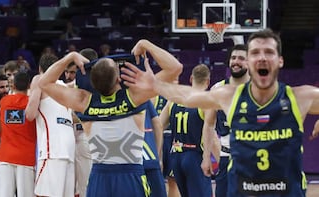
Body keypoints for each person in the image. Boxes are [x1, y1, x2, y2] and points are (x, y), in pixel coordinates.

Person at [121, 28, 319, 196]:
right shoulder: (229, 96)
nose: (262, 57)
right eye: (256, 52)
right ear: (249, 62)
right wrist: (155, 84)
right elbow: (187, 97)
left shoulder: (300, 97)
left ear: (280, 61)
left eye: (269, 52)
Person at [37, 39, 183, 197]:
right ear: (119, 79)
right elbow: (175, 68)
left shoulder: (83, 101)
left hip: (100, 176)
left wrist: (70, 57)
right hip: (130, 174)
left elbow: (44, 82)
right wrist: (145, 44)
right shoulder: (134, 96)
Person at [200, 44, 250, 197]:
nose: (236, 61)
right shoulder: (218, 89)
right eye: (233, 58)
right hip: (225, 158)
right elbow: (208, 125)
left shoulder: (259, 89)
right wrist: (206, 157)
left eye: (241, 58)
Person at [26, 53, 76, 197]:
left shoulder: (40, 80)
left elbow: (30, 114)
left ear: (40, 68)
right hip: (69, 148)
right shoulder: (66, 88)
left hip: (52, 149)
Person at [160, 64, 212, 197]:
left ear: (190, 79)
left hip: (176, 156)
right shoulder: (206, 101)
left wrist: (159, 156)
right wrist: (209, 158)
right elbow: (209, 133)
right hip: (194, 156)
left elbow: (158, 125)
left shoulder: (174, 100)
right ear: (207, 81)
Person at [0, 72, 36, 197]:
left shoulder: (5, 101)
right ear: (29, 86)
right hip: (26, 157)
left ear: (13, 86)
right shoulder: (32, 103)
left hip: (5, 156)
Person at [73, 48, 98, 197]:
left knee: (84, 180)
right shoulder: (104, 77)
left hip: (87, 131)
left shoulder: (82, 77)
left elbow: (79, 109)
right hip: (102, 133)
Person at [143, 100, 167, 197]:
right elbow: (158, 125)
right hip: (150, 156)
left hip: (127, 161)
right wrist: (158, 155)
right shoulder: (143, 98)